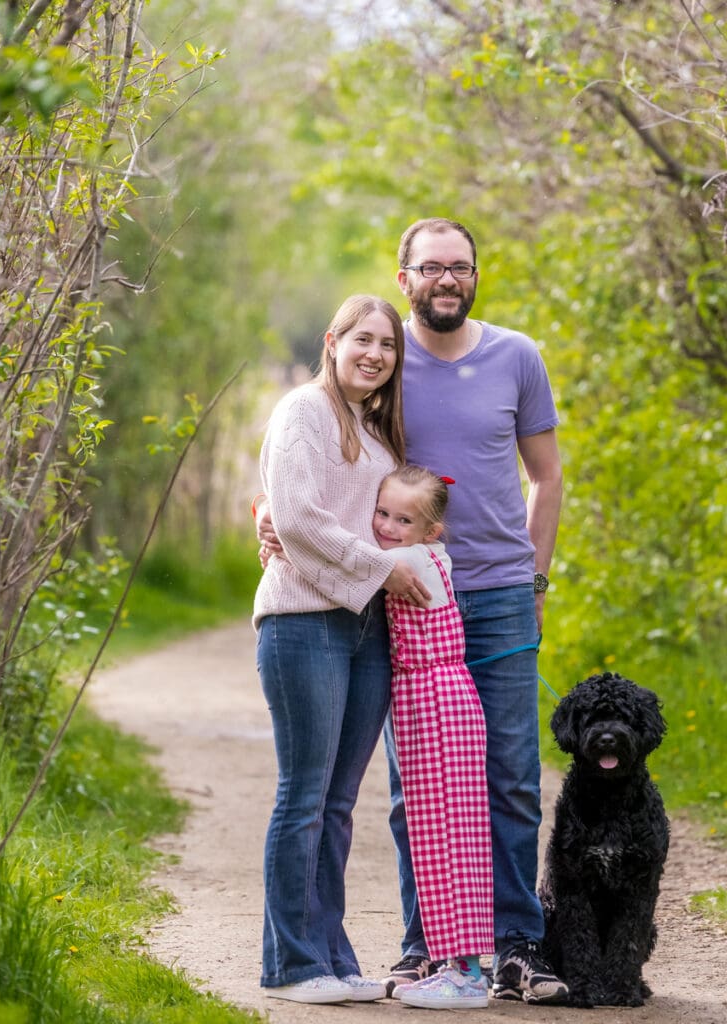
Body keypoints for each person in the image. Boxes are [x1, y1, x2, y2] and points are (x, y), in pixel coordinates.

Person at [261, 219, 567, 1004]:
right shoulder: (376, 382)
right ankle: (425, 945)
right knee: (417, 784)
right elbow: (321, 480)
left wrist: (535, 580)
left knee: (510, 775)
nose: (447, 279)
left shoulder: (515, 357)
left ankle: (514, 944)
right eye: (431, 266)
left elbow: (547, 477)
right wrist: (267, 513)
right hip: (404, 595)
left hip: (495, 591)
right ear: (405, 278)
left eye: (460, 266)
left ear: (475, 275)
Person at [251, 294, 433, 1005]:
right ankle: (292, 965)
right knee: (304, 796)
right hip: (304, 623)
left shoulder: (375, 429)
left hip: (364, 628)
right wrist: (384, 569)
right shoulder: (304, 410)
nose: (376, 354)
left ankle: (329, 953)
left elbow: (371, 518)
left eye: (387, 345)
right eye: (363, 339)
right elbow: (295, 514)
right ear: (333, 341)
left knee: (337, 803)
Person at [373, 465, 494, 1009]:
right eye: (383, 513)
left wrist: (274, 524)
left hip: (437, 699)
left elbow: (344, 557)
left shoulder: (409, 559)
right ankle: (451, 962)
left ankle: (467, 973)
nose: (388, 526)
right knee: (432, 829)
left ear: (430, 533)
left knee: (451, 831)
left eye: (404, 519)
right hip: (429, 701)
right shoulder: (423, 554)